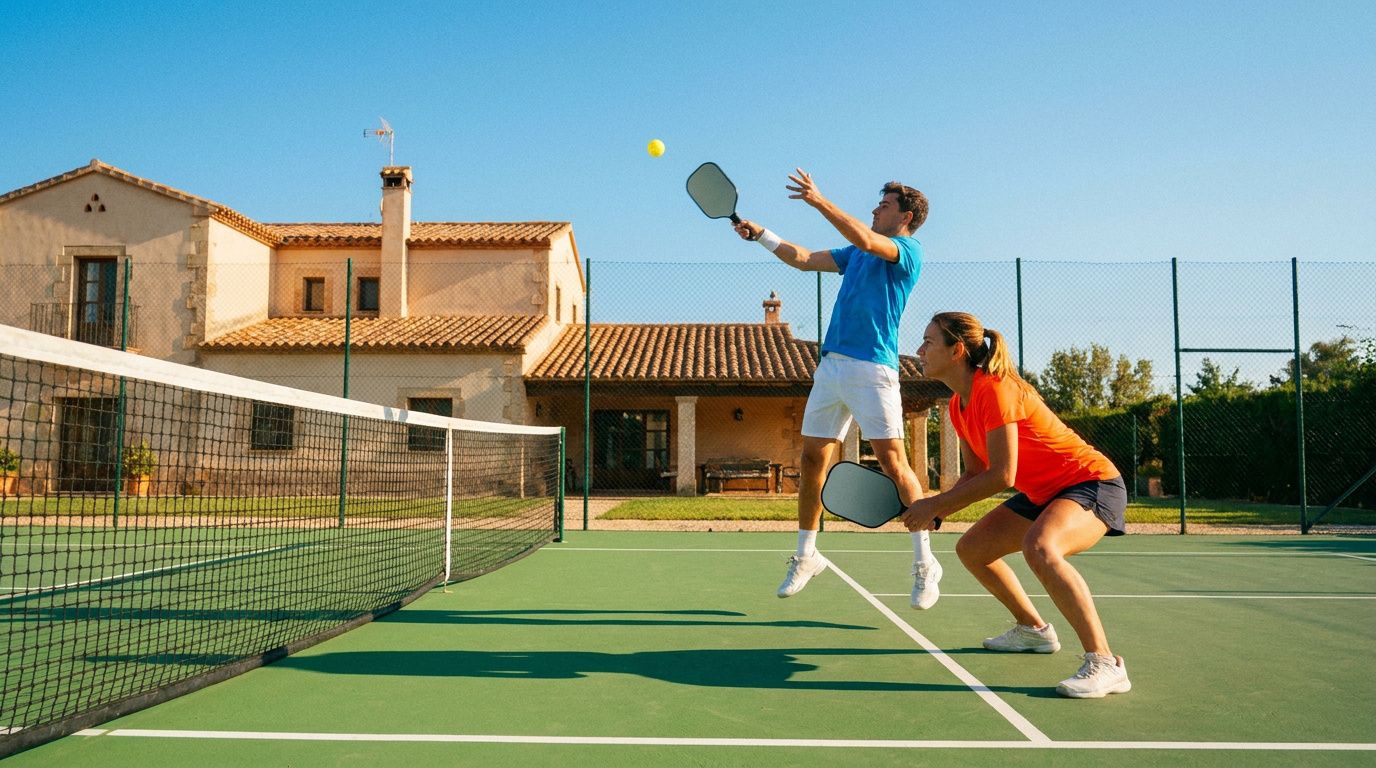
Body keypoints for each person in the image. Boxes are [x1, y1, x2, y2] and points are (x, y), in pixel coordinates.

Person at [733, 169, 941, 609]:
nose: (874, 208)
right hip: (831, 367)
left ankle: (925, 564)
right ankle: (806, 555)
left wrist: (817, 200)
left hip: (873, 369)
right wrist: (762, 235)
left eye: (882, 205)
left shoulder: (907, 251)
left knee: (893, 462)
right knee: (812, 459)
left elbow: (868, 240)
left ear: (904, 216)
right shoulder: (855, 254)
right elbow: (805, 258)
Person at [901, 311, 1131, 698]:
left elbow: (1003, 476)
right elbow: (978, 471)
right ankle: (1033, 631)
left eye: (928, 342)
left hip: (1090, 482)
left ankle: (1105, 662)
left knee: (1041, 547)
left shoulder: (996, 388)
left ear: (957, 350)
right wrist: (936, 508)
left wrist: (937, 504)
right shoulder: (960, 405)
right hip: (1044, 493)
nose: (919, 350)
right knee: (972, 549)